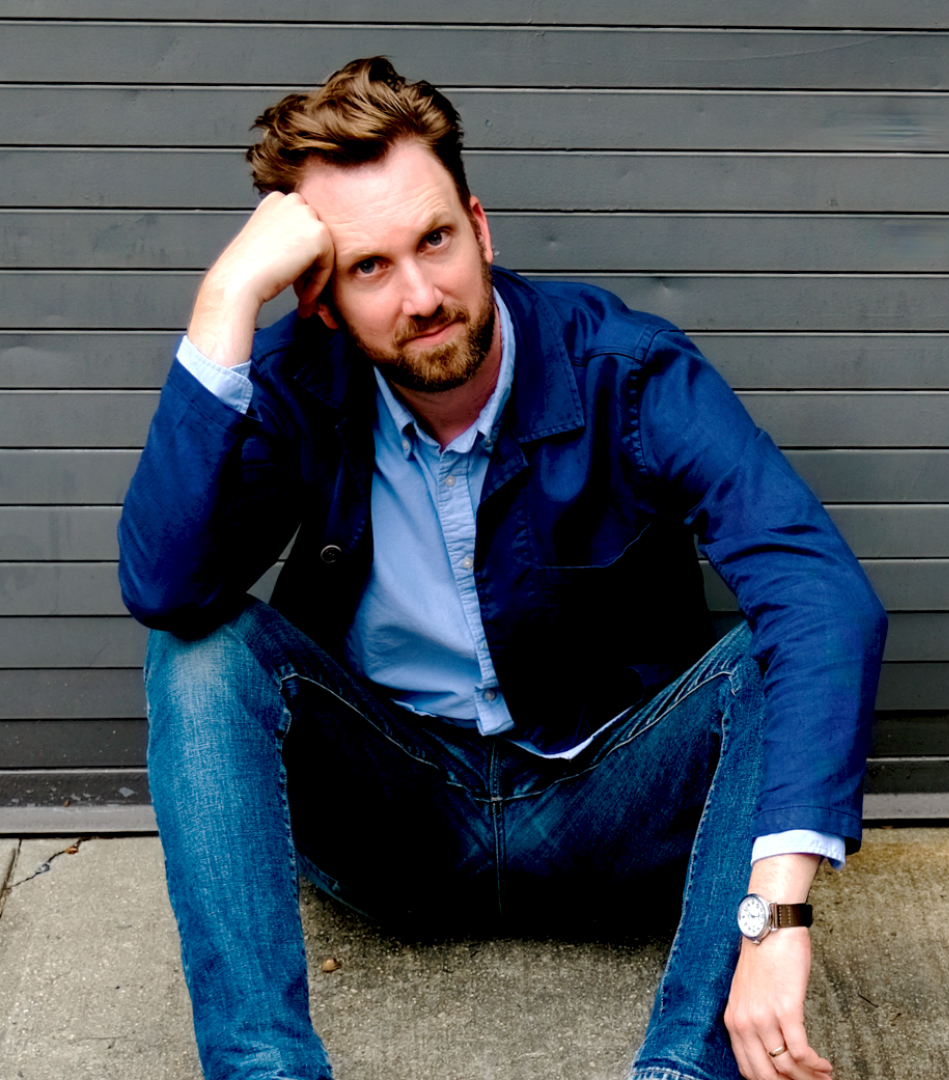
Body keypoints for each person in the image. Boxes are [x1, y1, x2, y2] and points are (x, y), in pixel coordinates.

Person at [118, 57, 886, 1080]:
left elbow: (823, 598)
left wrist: (777, 914)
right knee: (201, 653)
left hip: (609, 810)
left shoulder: (626, 372)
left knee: (768, 651)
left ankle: (682, 1069)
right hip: (399, 824)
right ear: (321, 298)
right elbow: (165, 588)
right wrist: (224, 300)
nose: (422, 296)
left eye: (435, 240)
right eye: (369, 267)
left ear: (479, 228)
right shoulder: (300, 383)